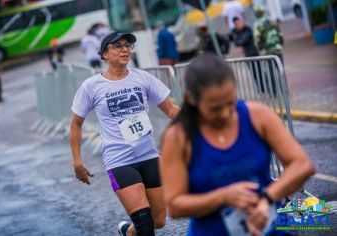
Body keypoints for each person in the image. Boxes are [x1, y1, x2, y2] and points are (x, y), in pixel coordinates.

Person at [160, 54, 315, 235]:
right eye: (215, 108)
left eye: (230, 103)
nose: (225, 113)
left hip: (270, 227)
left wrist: (267, 198)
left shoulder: (258, 115)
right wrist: (223, 197)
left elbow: (302, 165)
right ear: (191, 99)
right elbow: (175, 205)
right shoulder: (178, 137)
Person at [70, 31, 180, 236]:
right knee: (145, 224)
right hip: (119, 161)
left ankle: (128, 232)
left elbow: (172, 110)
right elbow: (76, 124)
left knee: (158, 221)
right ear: (104, 54)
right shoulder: (92, 86)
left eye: (127, 45)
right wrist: (77, 161)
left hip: (149, 157)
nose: (125, 49)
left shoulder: (143, 78)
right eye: (118, 46)